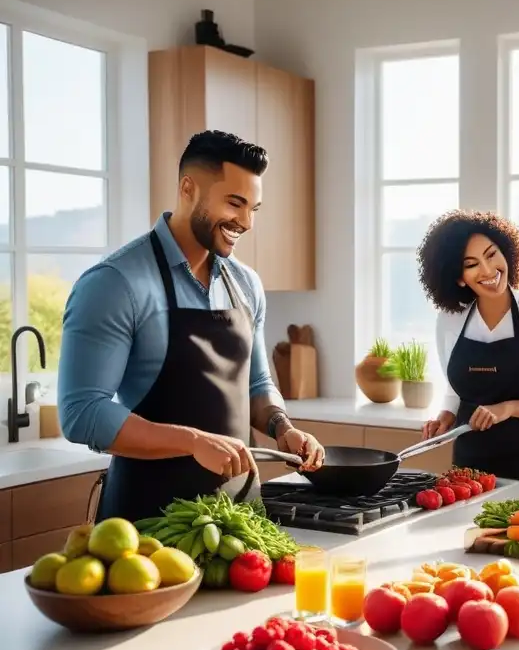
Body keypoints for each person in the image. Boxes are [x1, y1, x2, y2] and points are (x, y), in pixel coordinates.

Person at [58, 130, 325, 523]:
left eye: (254, 208)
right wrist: (192, 441)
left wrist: (282, 427)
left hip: (239, 522)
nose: (247, 222)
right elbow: (82, 412)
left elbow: (255, 385)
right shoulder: (115, 283)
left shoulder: (247, 285)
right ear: (188, 188)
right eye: (235, 203)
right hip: (147, 529)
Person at [418, 210, 519, 482]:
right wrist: (446, 416)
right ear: (458, 277)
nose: (488, 270)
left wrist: (508, 408)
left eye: (491, 254)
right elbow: (456, 391)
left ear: (507, 252)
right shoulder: (449, 319)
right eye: (472, 264)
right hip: (469, 466)